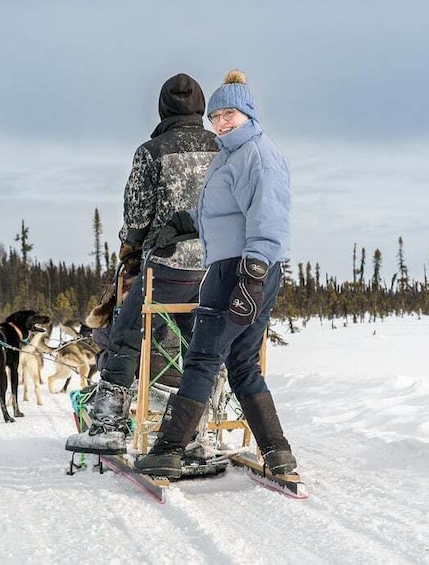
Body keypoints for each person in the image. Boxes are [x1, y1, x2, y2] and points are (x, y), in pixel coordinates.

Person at [134, 69, 298, 478]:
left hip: (242, 271)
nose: (221, 123)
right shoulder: (231, 156)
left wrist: (252, 275)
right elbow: (225, 215)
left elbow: (270, 219)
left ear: (248, 114)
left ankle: (169, 449)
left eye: (229, 115)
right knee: (242, 363)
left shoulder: (258, 156)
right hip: (237, 266)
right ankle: (278, 453)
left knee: (203, 357)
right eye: (216, 116)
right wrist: (184, 222)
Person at [65, 73, 218, 454]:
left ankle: (109, 426)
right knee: (195, 349)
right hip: (213, 269)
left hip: (165, 268)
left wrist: (130, 246)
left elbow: (137, 215)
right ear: (200, 106)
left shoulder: (151, 151)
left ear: (163, 107)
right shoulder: (223, 148)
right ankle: (195, 431)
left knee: (124, 336)